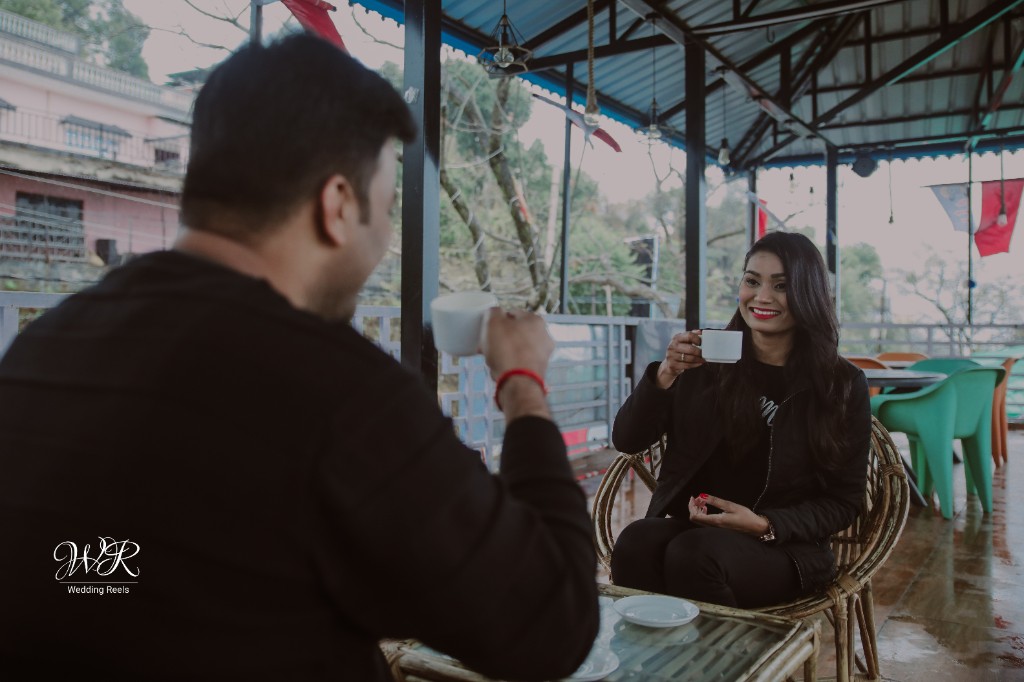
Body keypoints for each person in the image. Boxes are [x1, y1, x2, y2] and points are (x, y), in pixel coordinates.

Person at [0, 35, 598, 681]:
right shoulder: (338, 391)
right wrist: (521, 383)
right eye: (385, 210)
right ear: (337, 205)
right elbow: (550, 628)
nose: (382, 240)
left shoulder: (41, 348)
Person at [610, 231, 871, 608]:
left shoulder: (840, 383)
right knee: (636, 542)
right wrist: (665, 373)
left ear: (808, 293)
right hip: (697, 529)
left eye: (781, 286)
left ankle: (728, 648)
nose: (762, 297)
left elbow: (844, 501)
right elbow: (627, 440)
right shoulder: (705, 362)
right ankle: (657, 646)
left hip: (786, 546)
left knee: (695, 555)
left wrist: (766, 524)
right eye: (752, 281)